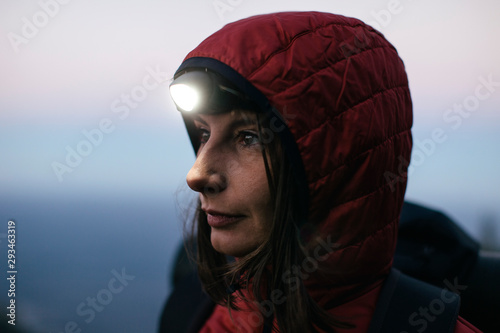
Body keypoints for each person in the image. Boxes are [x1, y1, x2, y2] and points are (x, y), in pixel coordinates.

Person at [162, 11, 482, 332]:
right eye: (203, 133)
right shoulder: (192, 312)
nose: (197, 174)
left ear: (341, 160)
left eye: (249, 137)